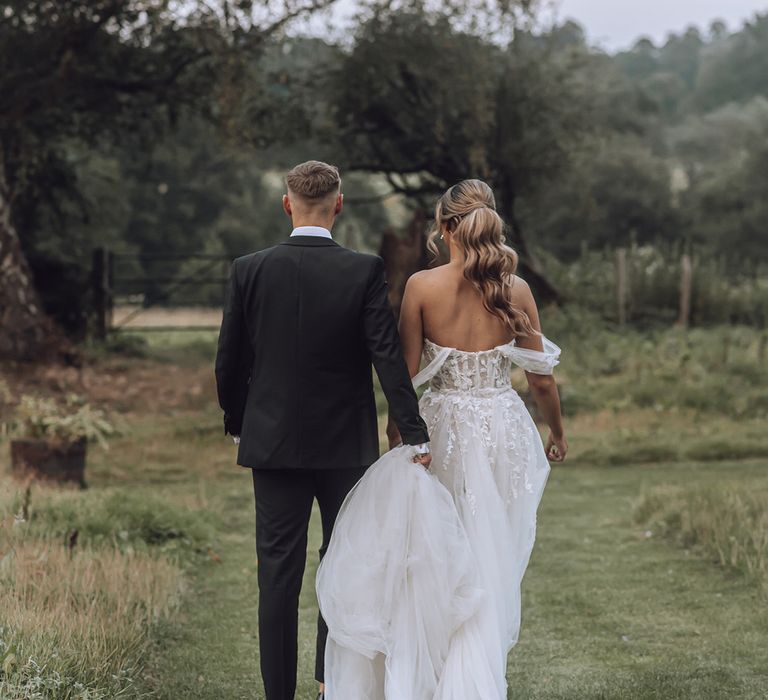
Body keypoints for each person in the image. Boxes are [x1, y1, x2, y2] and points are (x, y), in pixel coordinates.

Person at [316, 179, 567, 698]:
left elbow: (404, 376)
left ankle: (426, 679)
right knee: (486, 552)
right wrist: (557, 432)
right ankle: (472, 679)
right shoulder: (515, 289)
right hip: (502, 431)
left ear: (443, 227)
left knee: (431, 557)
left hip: (441, 427)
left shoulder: (422, 287)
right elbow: (540, 378)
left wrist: (399, 435)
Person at [215, 160, 431, 700]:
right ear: (339, 204)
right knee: (343, 565)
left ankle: (278, 697)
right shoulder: (363, 270)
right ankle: (329, 682)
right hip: (345, 446)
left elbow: (229, 361)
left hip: (273, 443)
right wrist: (414, 429)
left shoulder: (249, 268)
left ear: (287, 204)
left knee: (277, 575)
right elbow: (386, 356)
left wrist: (239, 423)